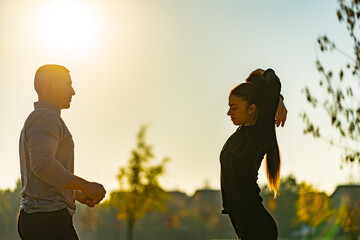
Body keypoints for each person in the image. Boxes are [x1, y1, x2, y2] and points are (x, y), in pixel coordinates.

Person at [18, 64, 106, 240]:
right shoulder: (46, 118)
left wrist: (75, 194)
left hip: (41, 218)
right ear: (49, 86)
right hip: (48, 220)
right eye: (67, 84)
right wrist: (85, 185)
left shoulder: (43, 118)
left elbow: (43, 179)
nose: (73, 92)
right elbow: (43, 165)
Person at [220, 68, 287, 240]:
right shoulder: (243, 132)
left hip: (258, 228)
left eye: (234, 108)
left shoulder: (260, 132)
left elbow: (273, 84)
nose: (229, 113)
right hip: (247, 227)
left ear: (251, 109)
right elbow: (262, 89)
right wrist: (278, 100)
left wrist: (265, 72)